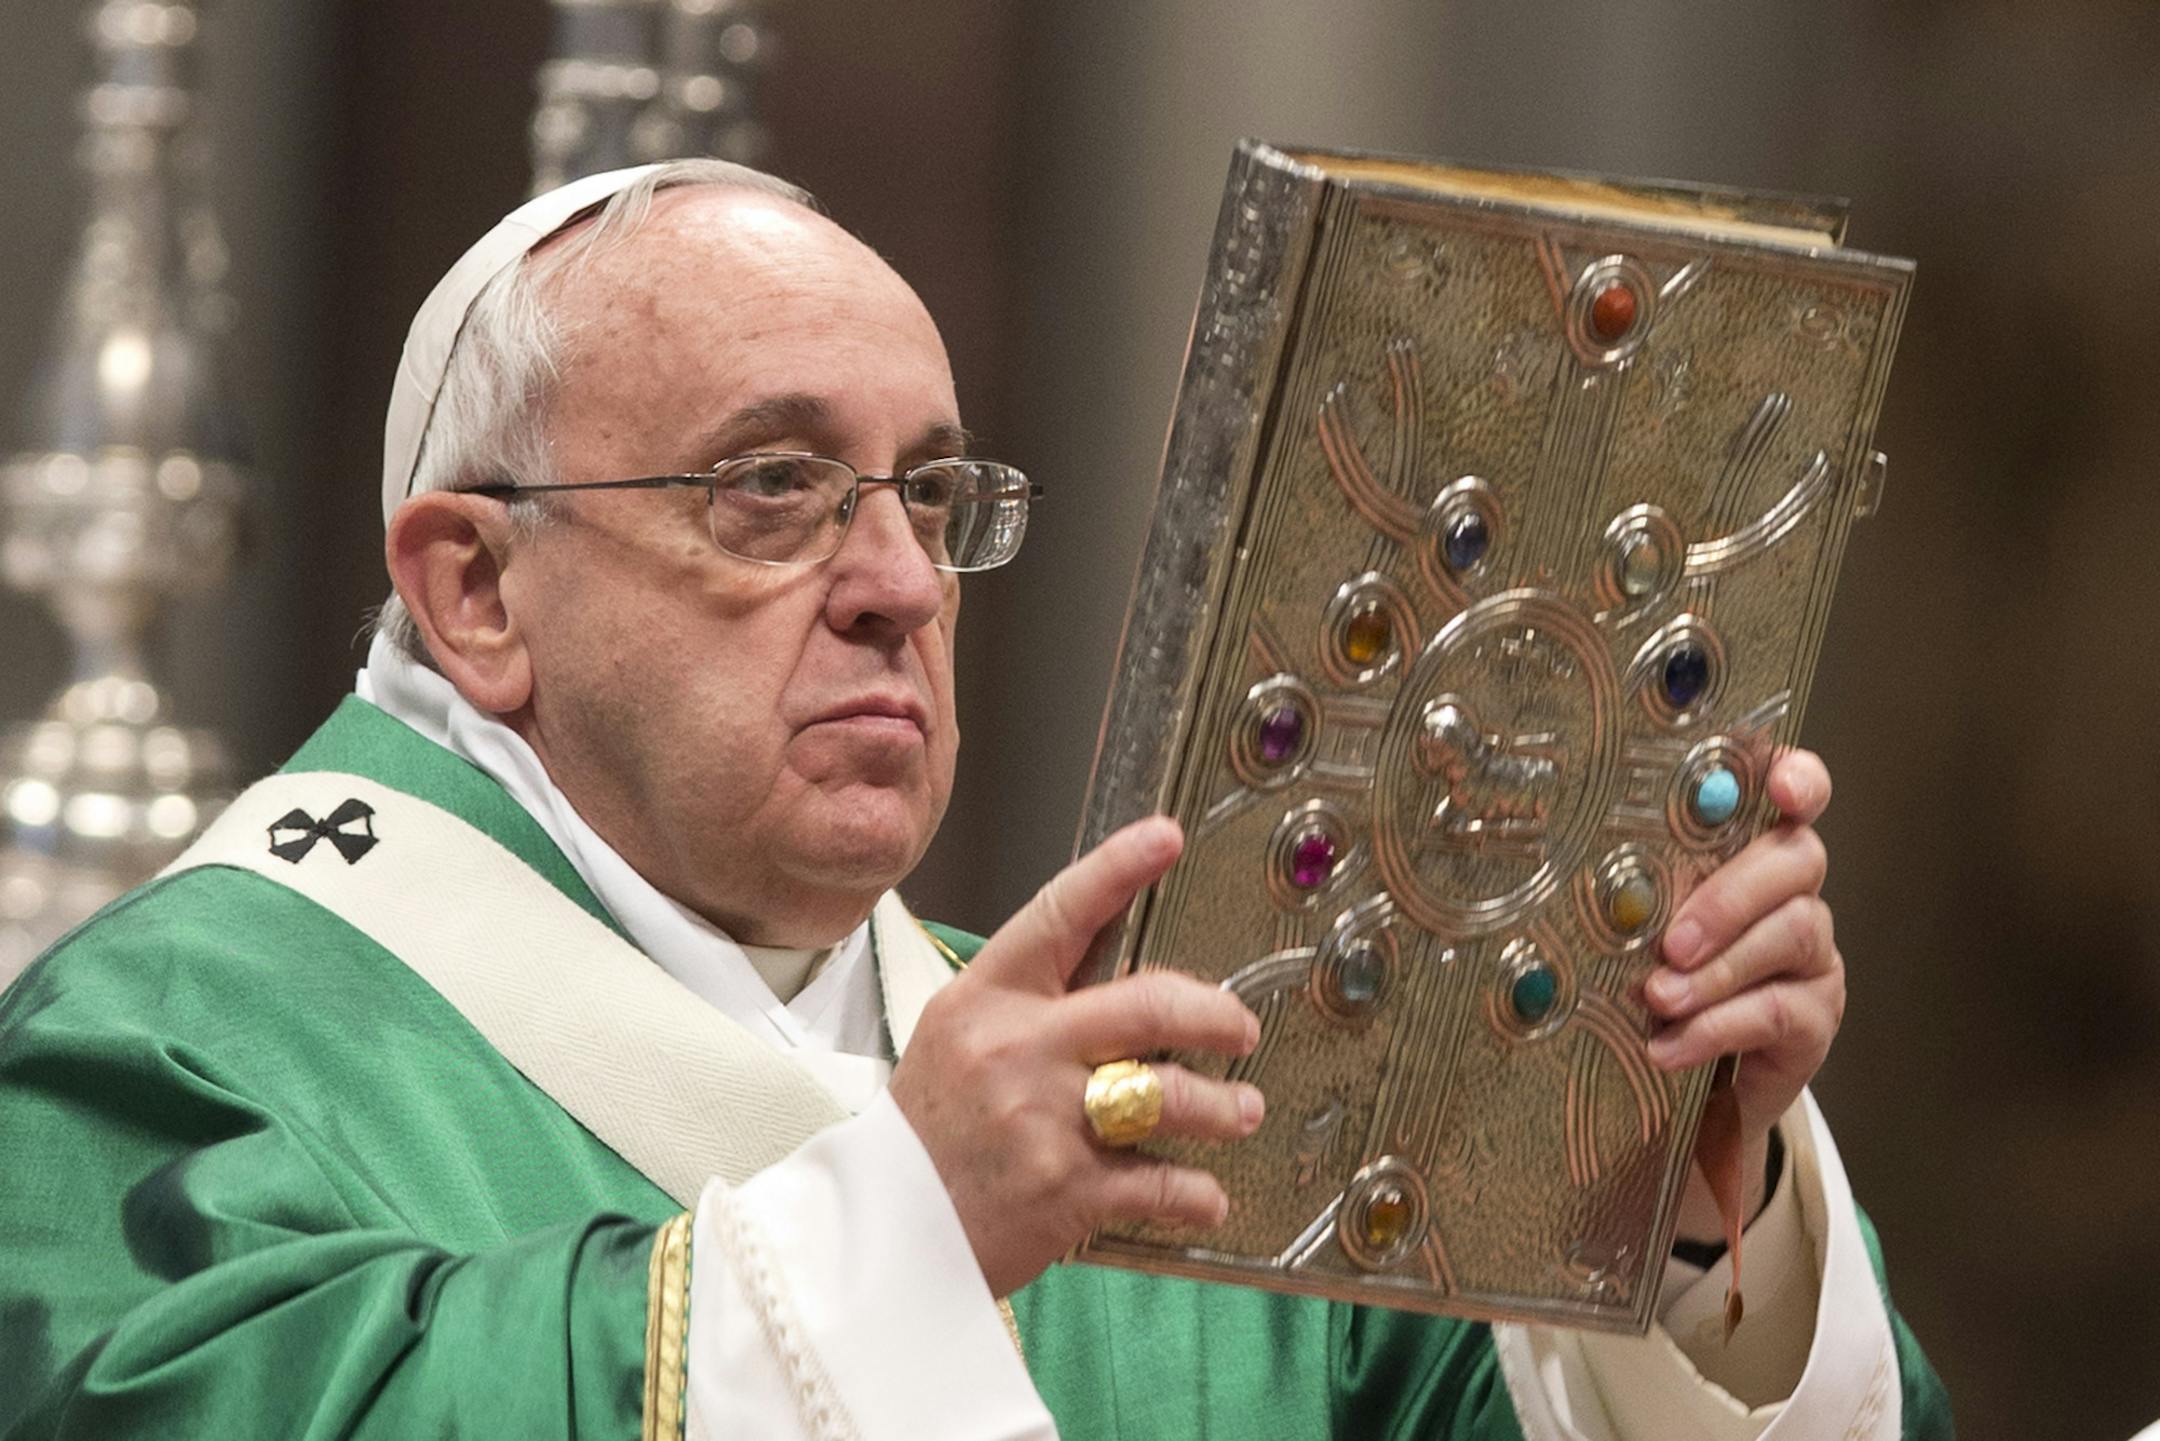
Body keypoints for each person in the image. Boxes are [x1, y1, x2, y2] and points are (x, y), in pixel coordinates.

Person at [0, 158, 1950, 1441]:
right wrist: (895, 1241)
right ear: (477, 589)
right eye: (770, 484)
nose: (901, 582)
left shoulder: (1156, 1109)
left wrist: (1670, 1216)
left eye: (933, 495)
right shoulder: (188, 1035)